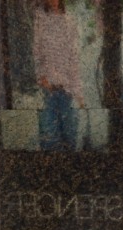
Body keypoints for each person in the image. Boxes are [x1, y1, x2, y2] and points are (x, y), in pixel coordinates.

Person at [33, 0, 83, 151]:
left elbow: (74, 57)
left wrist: (78, 92)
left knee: (70, 137)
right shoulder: (40, 19)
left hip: (67, 89)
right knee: (49, 138)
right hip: (48, 90)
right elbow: (36, 52)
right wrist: (41, 77)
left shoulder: (69, 21)